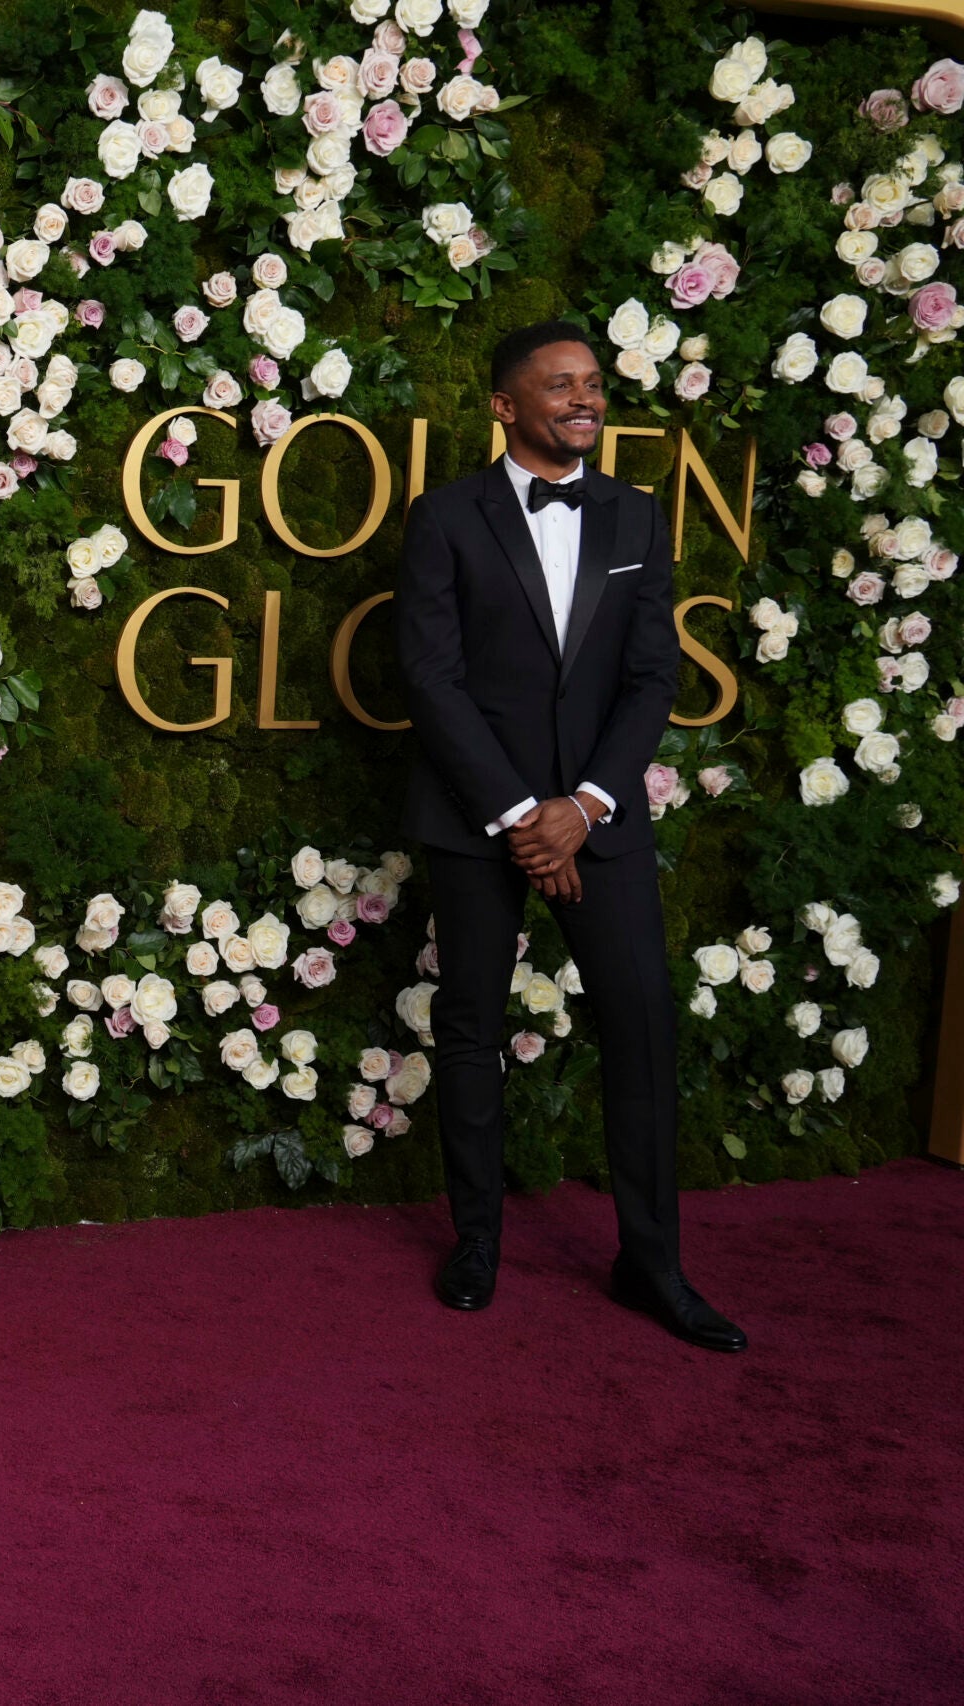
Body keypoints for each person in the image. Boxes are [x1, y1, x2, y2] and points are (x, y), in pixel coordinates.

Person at [393, 320, 745, 1353]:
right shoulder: (444, 517)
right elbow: (431, 678)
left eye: (592, 384)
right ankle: (477, 1244)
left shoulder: (637, 516)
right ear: (505, 406)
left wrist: (582, 805)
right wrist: (517, 813)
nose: (584, 399)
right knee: (469, 1024)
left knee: (641, 1026)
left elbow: (651, 679)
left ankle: (652, 1262)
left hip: (597, 818)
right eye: (559, 386)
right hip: (474, 818)